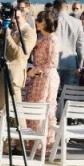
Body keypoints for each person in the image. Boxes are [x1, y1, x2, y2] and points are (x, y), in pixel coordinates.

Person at [23, 10, 60, 151]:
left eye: (40, 20)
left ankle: (43, 144)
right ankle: (33, 142)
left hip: (46, 78)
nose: (37, 23)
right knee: (33, 105)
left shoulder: (52, 39)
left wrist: (35, 70)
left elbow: (52, 63)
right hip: (38, 77)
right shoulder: (43, 38)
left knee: (43, 107)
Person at [0, 6, 36, 125]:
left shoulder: (28, 32)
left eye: (17, 18)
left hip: (14, 76)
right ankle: (4, 141)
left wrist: (7, 36)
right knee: (0, 109)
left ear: (25, 17)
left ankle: (20, 141)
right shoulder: (11, 30)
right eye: (12, 18)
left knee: (16, 111)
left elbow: (20, 53)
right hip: (3, 73)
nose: (13, 21)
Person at [51, 0, 84, 93]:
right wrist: (80, 64)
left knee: (53, 93)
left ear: (54, 8)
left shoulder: (53, 21)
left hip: (54, 61)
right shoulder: (77, 22)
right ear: (67, 7)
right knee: (68, 92)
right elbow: (80, 45)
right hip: (70, 61)